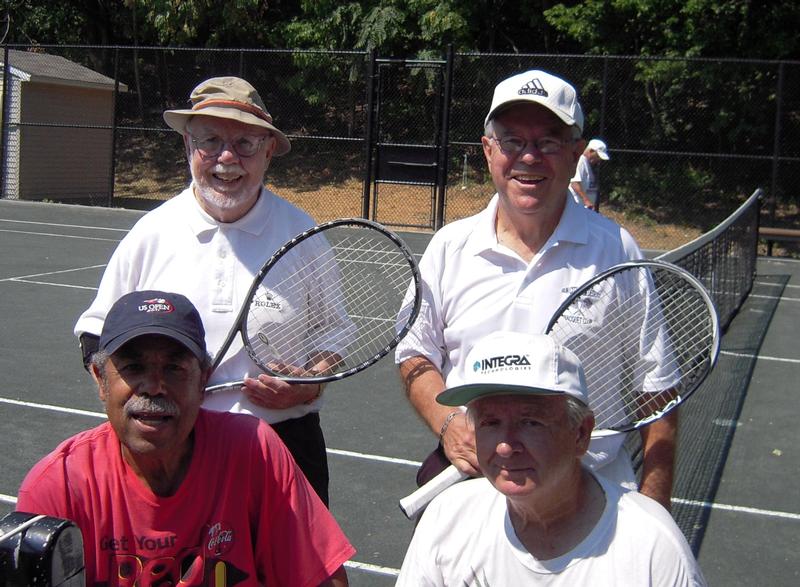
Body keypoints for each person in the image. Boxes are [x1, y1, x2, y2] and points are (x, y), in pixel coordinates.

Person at [395, 69, 677, 511]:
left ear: (575, 154)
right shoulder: (450, 247)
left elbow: (656, 388)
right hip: (475, 491)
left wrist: (656, 507)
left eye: (547, 142)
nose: (529, 157)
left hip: (593, 495)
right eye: (512, 141)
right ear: (489, 151)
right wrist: (447, 421)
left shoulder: (617, 249)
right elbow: (414, 353)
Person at [74, 76, 335, 505]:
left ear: (269, 149)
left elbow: (333, 337)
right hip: (177, 449)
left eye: (246, 143)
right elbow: (95, 335)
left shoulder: (305, 236)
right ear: (187, 146)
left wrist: (308, 385)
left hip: (288, 446)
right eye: (210, 140)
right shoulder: (150, 234)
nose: (227, 158)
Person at [19, 290, 355, 586]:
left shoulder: (254, 451)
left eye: (174, 368)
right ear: (100, 379)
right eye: (133, 368)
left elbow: (321, 577)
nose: (153, 386)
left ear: (203, 379)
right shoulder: (58, 486)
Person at [396, 332, 706, 586]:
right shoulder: (446, 518)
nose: (505, 447)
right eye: (490, 423)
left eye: (531, 422)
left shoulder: (653, 547)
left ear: (581, 434)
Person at [570, 138, 610, 210]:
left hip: (585, 209)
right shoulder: (581, 161)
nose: (598, 160)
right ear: (591, 151)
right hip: (578, 207)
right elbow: (574, 183)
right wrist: (586, 201)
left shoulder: (587, 164)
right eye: (597, 156)